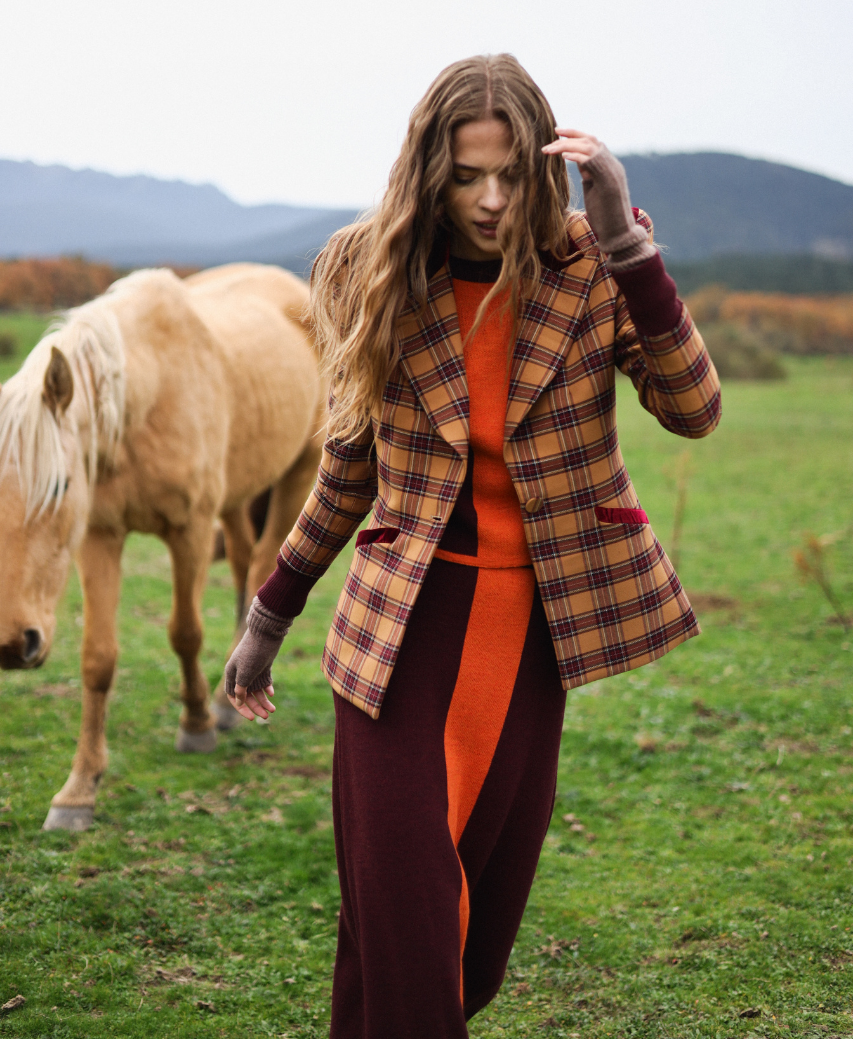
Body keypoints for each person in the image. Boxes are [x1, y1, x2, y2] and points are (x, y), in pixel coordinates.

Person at [224, 54, 721, 1039]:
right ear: (429, 172)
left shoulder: (594, 270)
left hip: (531, 646)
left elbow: (693, 409)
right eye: (464, 176)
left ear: (540, 171)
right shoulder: (370, 272)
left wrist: (625, 241)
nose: (489, 201)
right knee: (406, 934)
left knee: (466, 948)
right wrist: (268, 614)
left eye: (508, 175)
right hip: (395, 647)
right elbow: (347, 468)